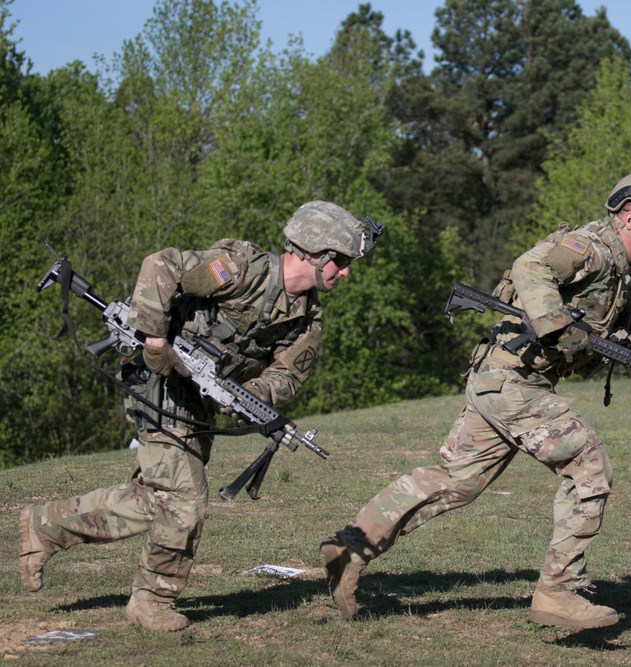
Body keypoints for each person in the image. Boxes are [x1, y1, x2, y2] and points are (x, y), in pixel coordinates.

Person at [319, 173, 631, 630]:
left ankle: (350, 547)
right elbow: (531, 267)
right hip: (514, 379)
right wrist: (555, 325)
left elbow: (627, 316)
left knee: (458, 481)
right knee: (587, 463)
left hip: (503, 380)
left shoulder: (621, 268)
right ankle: (559, 592)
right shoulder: (589, 247)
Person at [19, 201, 381, 632]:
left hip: (200, 399)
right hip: (159, 383)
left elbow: (286, 377)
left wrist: (248, 397)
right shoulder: (240, 268)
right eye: (340, 262)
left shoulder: (308, 320)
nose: (346, 273)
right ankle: (151, 601)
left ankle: (46, 525)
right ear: (312, 252)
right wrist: (155, 340)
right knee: (185, 499)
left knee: (155, 499)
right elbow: (161, 265)